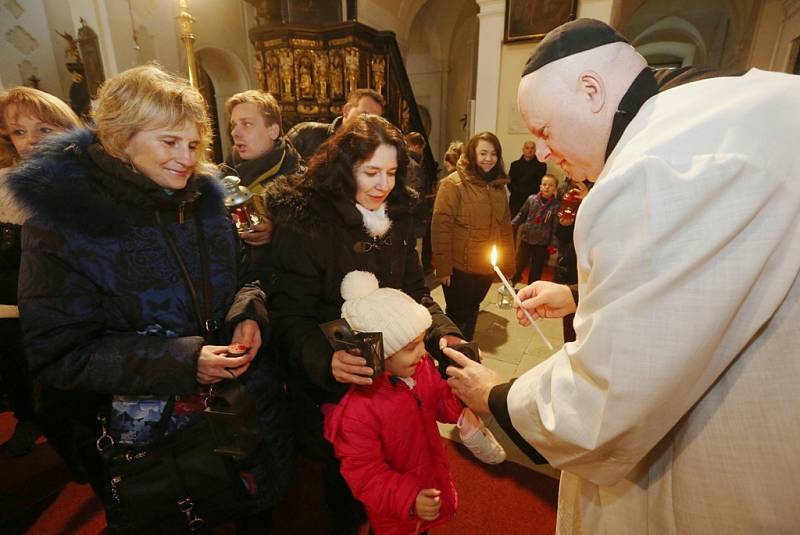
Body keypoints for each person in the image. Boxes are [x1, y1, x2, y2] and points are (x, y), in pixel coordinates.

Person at [445, 18, 800, 534]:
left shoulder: (650, 166)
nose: (542, 152)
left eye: (544, 130)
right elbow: (708, 278)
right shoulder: (726, 107)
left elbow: (607, 399)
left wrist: (496, 394)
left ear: (592, 90)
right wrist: (575, 293)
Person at [5, 65, 292, 533]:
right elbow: (59, 353)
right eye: (168, 142)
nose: (185, 158)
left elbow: (245, 279)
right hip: (158, 445)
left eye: (193, 145)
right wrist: (182, 361)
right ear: (121, 137)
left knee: (253, 513)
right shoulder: (63, 223)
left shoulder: (207, 202)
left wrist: (248, 312)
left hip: (241, 416)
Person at [264, 114, 464, 534]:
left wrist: (446, 334)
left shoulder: (400, 215)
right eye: (370, 172)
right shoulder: (307, 222)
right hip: (335, 388)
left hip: (395, 383)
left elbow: (416, 292)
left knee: (402, 470)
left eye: (392, 172)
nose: (383, 185)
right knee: (346, 489)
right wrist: (326, 360)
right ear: (344, 168)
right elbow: (289, 315)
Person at [323, 270, 464, 535]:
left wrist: (460, 395)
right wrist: (408, 499)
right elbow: (365, 474)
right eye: (411, 346)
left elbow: (440, 405)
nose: (423, 352)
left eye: (422, 341)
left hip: (428, 481)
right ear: (379, 353)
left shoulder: (420, 368)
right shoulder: (358, 411)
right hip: (395, 511)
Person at [0, 87, 82, 457]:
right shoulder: (3, 186)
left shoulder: (90, 182)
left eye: (43, 130)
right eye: (19, 132)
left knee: (67, 409)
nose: (30, 142)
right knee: (28, 392)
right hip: (11, 316)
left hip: (72, 323)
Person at [431, 132, 514, 340]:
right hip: (459, 268)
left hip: (485, 267)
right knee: (456, 316)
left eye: (494, 154)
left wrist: (508, 266)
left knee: (473, 310)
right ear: (472, 154)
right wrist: (443, 267)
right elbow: (441, 227)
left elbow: (505, 228)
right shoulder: (453, 184)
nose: (489, 158)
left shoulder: (498, 186)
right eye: (483, 153)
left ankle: (466, 352)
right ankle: (452, 360)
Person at [224, 89, 303, 281]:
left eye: (247, 124)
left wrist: (276, 234)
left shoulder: (300, 183)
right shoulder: (221, 176)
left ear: (273, 131)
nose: (235, 132)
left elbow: (317, 245)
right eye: (234, 125)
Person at [286, 88, 384, 160]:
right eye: (364, 115)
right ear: (347, 110)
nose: (370, 123)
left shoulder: (373, 151)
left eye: (375, 120)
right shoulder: (305, 134)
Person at [510, 174, 559, 286]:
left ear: (555, 189)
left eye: (551, 185)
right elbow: (521, 214)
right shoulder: (531, 199)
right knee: (519, 263)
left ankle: (532, 287)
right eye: (544, 184)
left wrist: (553, 244)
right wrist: (511, 225)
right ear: (540, 186)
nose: (547, 187)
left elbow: (555, 226)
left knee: (537, 268)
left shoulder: (556, 205)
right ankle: (512, 281)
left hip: (542, 242)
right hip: (527, 238)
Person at [507, 140, 547, 219]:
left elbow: (539, 183)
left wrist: (529, 194)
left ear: (535, 150)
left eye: (532, 148)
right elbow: (510, 182)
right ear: (523, 150)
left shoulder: (541, 166)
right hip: (516, 199)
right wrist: (517, 191)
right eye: (527, 148)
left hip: (533, 199)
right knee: (513, 224)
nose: (529, 150)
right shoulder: (514, 165)